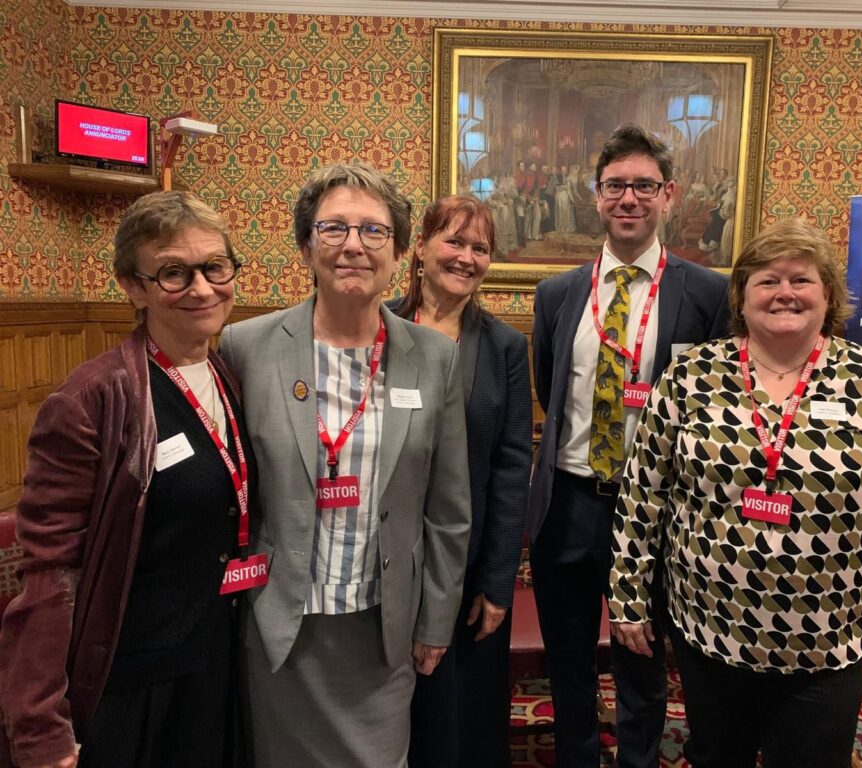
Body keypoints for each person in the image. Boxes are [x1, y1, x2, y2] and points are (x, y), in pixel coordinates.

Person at [609, 217, 862, 768]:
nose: (784, 293)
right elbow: (645, 491)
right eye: (767, 280)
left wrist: (827, 542)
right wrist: (629, 596)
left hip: (825, 632)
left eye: (800, 280)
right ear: (742, 295)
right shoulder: (691, 375)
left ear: (828, 293)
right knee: (716, 755)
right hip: (711, 624)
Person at [217, 164, 471, 768]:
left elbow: (450, 508)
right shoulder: (245, 346)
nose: (353, 245)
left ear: (399, 250)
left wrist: (436, 619)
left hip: (382, 626)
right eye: (333, 228)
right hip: (280, 624)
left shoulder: (433, 357)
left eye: (373, 231)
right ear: (307, 246)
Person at [0, 191, 256, 768]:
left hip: (217, 663)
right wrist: (40, 730)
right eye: (173, 272)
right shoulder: (92, 399)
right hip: (135, 681)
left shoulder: (226, 375)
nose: (202, 287)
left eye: (215, 266)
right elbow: (48, 572)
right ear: (133, 286)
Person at [527, 124, 730, 768]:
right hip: (571, 500)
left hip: (659, 510)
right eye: (616, 186)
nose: (629, 199)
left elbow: (717, 400)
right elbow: (548, 384)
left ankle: (639, 760)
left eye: (644, 186)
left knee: (643, 656)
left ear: (668, 195)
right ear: (596, 195)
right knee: (568, 656)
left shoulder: (706, 293)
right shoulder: (558, 294)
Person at [390, 195, 533, 768]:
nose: (467, 257)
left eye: (481, 248)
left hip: (469, 565)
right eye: (454, 240)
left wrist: (499, 579)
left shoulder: (504, 348)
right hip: (389, 558)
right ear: (420, 248)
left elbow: (510, 467)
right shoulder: (377, 331)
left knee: (460, 714)